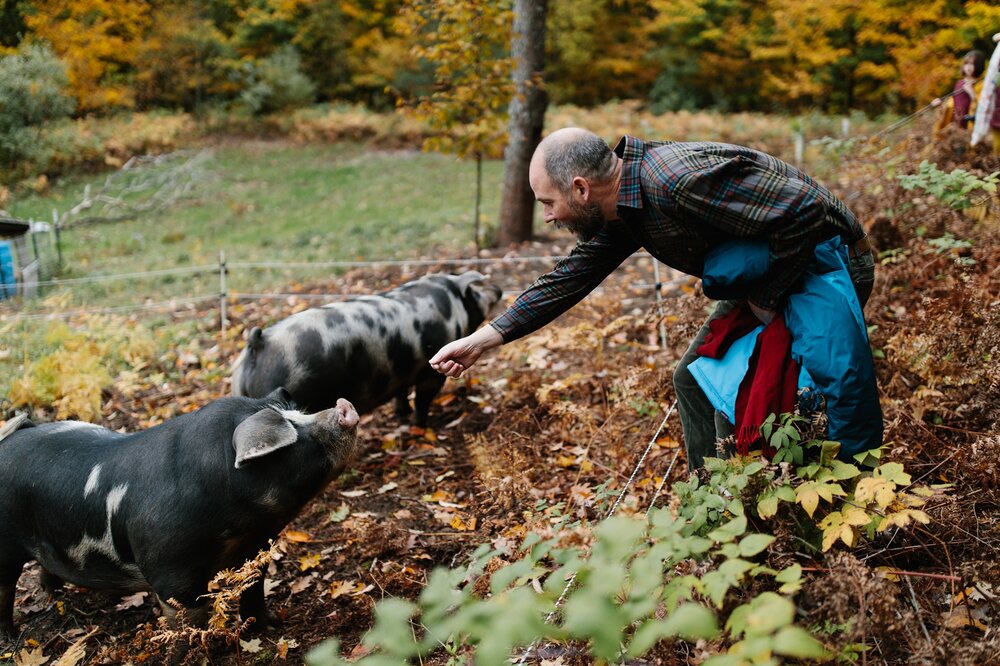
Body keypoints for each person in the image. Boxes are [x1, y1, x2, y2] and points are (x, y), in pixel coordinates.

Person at [429, 128, 876, 470]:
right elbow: (570, 277)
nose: (547, 217)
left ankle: (763, 512)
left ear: (581, 188)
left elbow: (807, 212)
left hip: (822, 265)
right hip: (766, 268)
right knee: (692, 379)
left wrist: (765, 296)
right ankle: (712, 503)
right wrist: (483, 339)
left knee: (744, 395)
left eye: (548, 202)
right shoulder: (624, 205)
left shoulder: (675, 181)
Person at [932, 50, 986, 135]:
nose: (968, 67)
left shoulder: (981, 84)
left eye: (972, 64)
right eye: (966, 63)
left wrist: (971, 93)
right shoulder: (959, 83)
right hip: (955, 126)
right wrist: (940, 106)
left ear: (978, 65)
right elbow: (952, 104)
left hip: (970, 127)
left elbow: (984, 107)